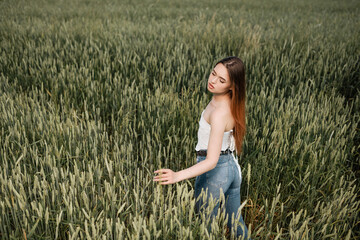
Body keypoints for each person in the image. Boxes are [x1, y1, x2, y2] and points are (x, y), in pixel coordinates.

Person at [153, 56, 251, 239]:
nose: (213, 81)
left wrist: (177, 175)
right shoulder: (228, 101)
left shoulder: (219, 113)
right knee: (236, 223)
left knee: (207, 227)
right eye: (213, 73)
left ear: (232, 86)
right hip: (231, 167)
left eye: (221, 80)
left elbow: (212, 161)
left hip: (216, 172)